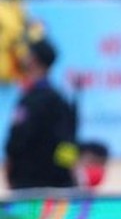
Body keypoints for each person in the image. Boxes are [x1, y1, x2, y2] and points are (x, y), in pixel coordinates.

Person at [4, 38, 78, 191]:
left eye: (27, 54)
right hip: (24, 183)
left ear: (34, 60)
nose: (23, 57)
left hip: (45, 188)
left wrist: (67, 180)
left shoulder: (54, 100)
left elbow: (67, 142)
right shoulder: (29, 97)